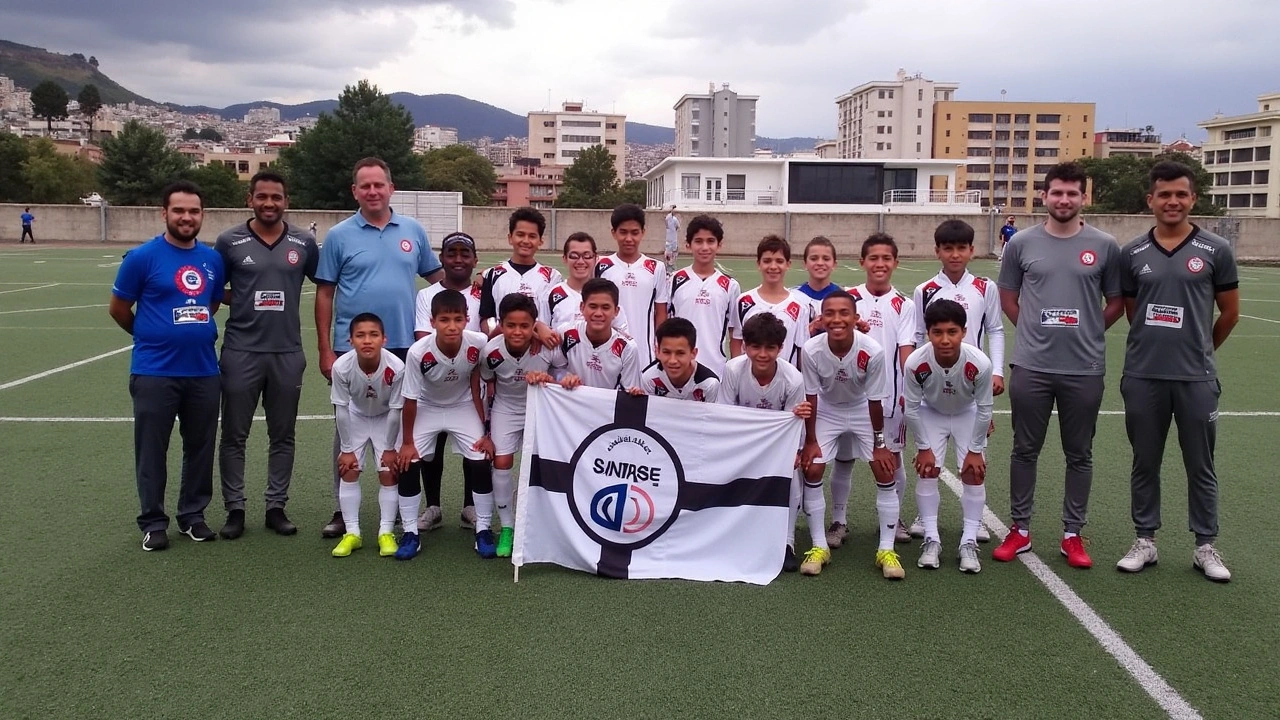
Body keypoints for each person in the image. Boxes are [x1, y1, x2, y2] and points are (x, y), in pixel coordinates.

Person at [994, 161, 1124, 569]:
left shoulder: (1105, 245)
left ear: (1083, 198)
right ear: (1044, 197)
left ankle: (1072, 534)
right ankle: (1020, 529)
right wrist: (1032, 332)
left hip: (1084, 367)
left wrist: (1088, 331)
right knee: (1024, 450)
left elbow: (1117, 301)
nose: (1064, 200)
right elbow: (1008, 297)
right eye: (1057, 193)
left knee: (1079, 453)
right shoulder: (1021, 244)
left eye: (1072, 193)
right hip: (1032, 365)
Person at [1115, 161, 1239, 582]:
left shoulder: (1216, 250)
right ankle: (1145, 540)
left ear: (1193, 199)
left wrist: (1200, 350)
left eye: (1180, 194)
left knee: (1200, 464)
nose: (1172, 202)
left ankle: (1205, 544)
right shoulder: (1131, 253)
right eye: (1164, 194)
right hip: (1144, 375)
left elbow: (1230, 313)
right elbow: (1135, 314)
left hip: (1196, 378)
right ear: (1150, 199)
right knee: (1144, 462)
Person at [314, 157, 444, 539]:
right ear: (355, 191)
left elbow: (437, 279)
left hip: (405, 347)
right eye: (364, 186)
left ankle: (403, 510)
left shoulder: (413, 231)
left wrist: (475, 286)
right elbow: (324, 293)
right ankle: (342, 508)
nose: (372, 191)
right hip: (352, 349)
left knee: (405, 431)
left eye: (379, 184)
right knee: (347, 429)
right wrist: (326, 349)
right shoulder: (339, 236)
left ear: (391, 188)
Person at [108, 181, 224, 551]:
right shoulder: (141, 258)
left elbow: (212, 304)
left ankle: (192, 516)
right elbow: (119, 309)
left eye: (193, 211)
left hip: (204, 371)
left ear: (202, 215)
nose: (186, 217)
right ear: (164, 213)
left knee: (201, 447)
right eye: (179, 211)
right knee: (152, 449)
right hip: (154, 372)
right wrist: (149, 336)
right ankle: (153, 522)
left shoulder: (211, 260)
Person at [213, 171, 319, 539]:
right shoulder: (229, 241)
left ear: (286, 200)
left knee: (283, 434)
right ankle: (235, 509)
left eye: (276, 197)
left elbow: (325, 287)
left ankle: (276, 505)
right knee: (233, 434)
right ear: (250, 199)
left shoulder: (304, 242)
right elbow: (214, 292)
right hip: (241, 350)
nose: (269, 203)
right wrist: (240, 299)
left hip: (287, 352)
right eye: (262, 197)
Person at [908, 219, 1005, 544]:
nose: (954, 254)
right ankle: (925, 515)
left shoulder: (984, 287)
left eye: (961, 248)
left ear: (971, 251)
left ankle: (974, 523)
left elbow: (995, 329)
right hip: (934, 385)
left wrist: (998, 371)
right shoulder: (925, 290)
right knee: (928, 459)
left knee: (973, 458)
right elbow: (920, 336)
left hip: (973, 383)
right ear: (937, 251)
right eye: (947, 248)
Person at [800, 291, 900, 579]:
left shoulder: (872, 350)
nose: (837, 319)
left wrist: (880, 445)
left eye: (844, 313)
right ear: (821, 318)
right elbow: (811, 395)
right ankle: (819, 547)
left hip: (861, 409)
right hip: (828, 409)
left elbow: (875, 399)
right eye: (829, 313)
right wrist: (810, 440)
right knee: (814, 466)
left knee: (883, 470)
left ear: (856, 318)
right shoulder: (812, 349)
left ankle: (886, 549)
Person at [827, 234, 917, 550]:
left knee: (892, 458)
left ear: (895, 263)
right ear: (862, 262)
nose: (880, 264)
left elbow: (906, 350)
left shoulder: (904, 305)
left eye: (886, 258)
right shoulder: (846, 298)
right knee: (844, 458)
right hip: (846, 396)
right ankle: (839, 520)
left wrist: (909, 390)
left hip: (888, 396)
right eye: (873, 258)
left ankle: (892, 521)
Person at [397, 290, 492, 560]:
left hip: (461, 406)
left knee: (480, 459)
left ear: (467, 319)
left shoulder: (479, 342)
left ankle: (483, 529)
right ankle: (410, 532)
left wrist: (487, 430)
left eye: (458, 319)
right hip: (427, 406)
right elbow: (411, 399)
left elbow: (500, 348)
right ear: (432, 322)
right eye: (444, 319)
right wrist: (406, 443)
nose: (452, 326)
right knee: (409, 461)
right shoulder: (418, 352)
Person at [903, 299, 994, 573]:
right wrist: (923, 447)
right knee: (927, 470)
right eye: (937, 332)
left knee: (974, 474)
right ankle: (932, 539)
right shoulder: (915, 362)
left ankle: (968, 541)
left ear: (964, 332)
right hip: (932, 412)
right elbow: (912, 408)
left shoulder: (979, 363)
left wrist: (976, 450)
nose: (945, 339)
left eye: (952, 332)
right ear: (928, 333)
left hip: (967, 413)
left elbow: (985, 408)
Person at [716, 313, 812, 573]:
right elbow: (725, 413)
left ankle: (787, 543)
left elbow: (795, 422)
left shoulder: (793, 378)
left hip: (777, 446)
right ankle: (731, 534)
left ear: (781, 348)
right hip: (742, 441)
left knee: (792, 476)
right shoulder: (733, 369)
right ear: (744, 345)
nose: (762, 354)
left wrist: (796, 451)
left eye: (770, 348)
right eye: (755, 347)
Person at [412, 231, 482, 532]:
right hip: (434, 382)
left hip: (472, 383)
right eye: (451, 253)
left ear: (474, 260)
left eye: (464, 253)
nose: (457, 259)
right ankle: (433, 507)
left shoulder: (483, 292)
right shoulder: (426, 295)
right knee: (431, 449)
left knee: (475, 447)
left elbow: (489, 335)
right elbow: (422, 338)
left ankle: (470, 507)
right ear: (441, 258)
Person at [477, 293, 556, 558]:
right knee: (501, 463)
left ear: (535, 324)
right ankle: (508, 527)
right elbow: (488, 386)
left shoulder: (546, 346)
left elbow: (562, 375)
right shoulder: (491, 351)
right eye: (511, 325)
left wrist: (547, 379)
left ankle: (542, 523)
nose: (518, 331)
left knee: (543, 463)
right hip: (506, 408)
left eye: (525, 325)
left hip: (540, 408)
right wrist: (486, 430)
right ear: (501, 323)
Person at [329, 313, 405, 559]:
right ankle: (352, 533)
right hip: (356, 416)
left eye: (373, 335)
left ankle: (385, 532)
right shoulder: (341, 367)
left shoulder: (396, 367)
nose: (367, 341)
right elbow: (341, 408)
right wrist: (347, 448)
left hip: (386, 418)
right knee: (349, 469)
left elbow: (395, 410)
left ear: (384, 339)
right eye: (360, 335)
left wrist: (391, 447)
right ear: (350, 340)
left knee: (389, 472)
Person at [527, 278, 641, 392]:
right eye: (593, 306)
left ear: (616, 311)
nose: (598, 313)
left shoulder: (627, 348)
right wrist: (565, 378)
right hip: (571, 406)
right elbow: (555, 369)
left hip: (606, 408)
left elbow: (629, 391)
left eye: (605, 307)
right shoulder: (567, 334)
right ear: (582, 307)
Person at [668, 214, 739, 378]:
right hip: (679, 368)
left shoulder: (729, 285)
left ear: (719, 245)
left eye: (710, 241)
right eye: (698, 241)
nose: (704, 247)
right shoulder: (675, 280)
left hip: (716, 370)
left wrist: (736, 370)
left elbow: (735, 333)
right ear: (688, 245)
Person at [596, 204, 668, 364]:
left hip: (645, 354)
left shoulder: (656, 267)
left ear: (643, 232)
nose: (629, 239)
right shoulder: (601, 265)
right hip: (608, 353)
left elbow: (661, 312)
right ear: (613, 233)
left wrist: (661, 345)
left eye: (634, 233)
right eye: (623, 232)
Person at [479, 207, 562, 335]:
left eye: (532, 236)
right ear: (510, 238)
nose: (526, 241)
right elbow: (486, 317)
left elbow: (556, 317)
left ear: (540, 241)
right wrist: (495, 334)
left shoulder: (553, 277)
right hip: (504, 348)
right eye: (520, 235)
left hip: (540, 350)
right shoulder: (493, 274)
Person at [731, 235, 811, 366]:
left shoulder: (799, 306)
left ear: (788, 264)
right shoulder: (744, 301)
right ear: (759, 264)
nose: (773, 266)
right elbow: (736, 340)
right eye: (767, 261)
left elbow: (801, 349)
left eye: (779, 261)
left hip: (784, 382)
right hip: (748, 380)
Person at [539, 232, 630, 333]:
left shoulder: (607, 293)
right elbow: (543, 332)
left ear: (596, 258)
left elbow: (623, 335)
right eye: (574, 256)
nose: (581, 261)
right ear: (565, 259)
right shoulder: (553, 294)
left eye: (587, 256)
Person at [639, 317, 720, 402]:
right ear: (657, 351)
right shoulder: (650, 380)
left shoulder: (709, 384)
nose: (672, 360)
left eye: (680, 353)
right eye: (666, 352)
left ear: (693, 353)